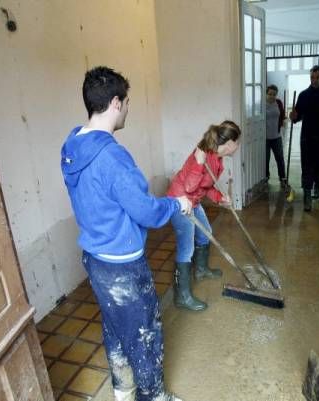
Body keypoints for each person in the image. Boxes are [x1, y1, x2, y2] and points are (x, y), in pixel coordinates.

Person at [60, 66, 192, 401]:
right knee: (144, 333)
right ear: (116, 103)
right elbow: (147, 212)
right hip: (122, 265)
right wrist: (177, 205)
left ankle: (123, 390)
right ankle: (153, 396)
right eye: (127, 102)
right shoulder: (112, 156)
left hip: (95, 258)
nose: (128, 109)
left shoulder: (73, 144)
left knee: (116, 326)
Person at [166, 121, 241, 311]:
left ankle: (200, 270)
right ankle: (182, 296)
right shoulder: (203, 154)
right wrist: (198, 163)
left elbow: (204, 187)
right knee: (186, 248)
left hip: (194, 200)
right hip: (180, 201)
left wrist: (219, 198)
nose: (238, 146)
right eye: (237, 142)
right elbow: (190, 186)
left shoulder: (217, 157)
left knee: (206, 232)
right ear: (229, 143)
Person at [289, 65, 319, 211]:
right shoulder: (304, 95)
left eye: (317, 77)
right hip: (307, 137)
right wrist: (294, 117)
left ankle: (318, 186)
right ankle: (307, 195)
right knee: (307, 166)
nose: (314, 80)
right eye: (312, 78)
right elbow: (297, 116)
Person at [265, 84, 287, 187]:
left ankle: (282, 178)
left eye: (274, 94)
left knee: (280, 158)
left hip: (277, 136)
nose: (272, 96)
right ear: (266, 94)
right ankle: (265, 178)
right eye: (270, 94)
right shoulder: (261, 104)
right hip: (265, 138)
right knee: (265, 159)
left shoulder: (278, 103)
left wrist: (281, 125)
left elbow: (282, 115)